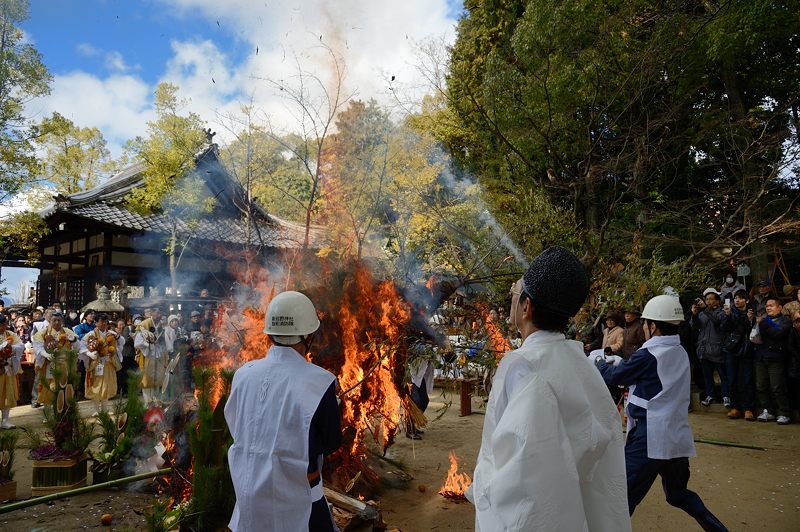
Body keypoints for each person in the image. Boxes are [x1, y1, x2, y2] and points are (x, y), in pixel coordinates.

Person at [467, 246, 630, 531]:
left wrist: (482, 489)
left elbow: (522, 470)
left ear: (527, 306)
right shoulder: (580, 363)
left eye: (515, 295)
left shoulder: (523, 367)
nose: (511, 302)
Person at [594, 294, 728, 531]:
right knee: (678, 494)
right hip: (675, 437)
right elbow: (645, 375)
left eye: (645, 323)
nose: (644, 327)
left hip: (650, 436)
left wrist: (600, 362)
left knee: (620, 498)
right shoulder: (679, 352)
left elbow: (616, 377)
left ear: (653, 326)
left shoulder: (648, 355)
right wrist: (618, 362)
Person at [225, 291, 342, 532]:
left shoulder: (243, 374)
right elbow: (331, 442)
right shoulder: (321, 382)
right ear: (308, 336)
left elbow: (236, 427)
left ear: (269, 334)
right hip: (302, 499)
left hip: (250, 496)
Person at [751, 296, 791, 424]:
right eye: (767, 306)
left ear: (779, 307)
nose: (768, 308)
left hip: (776, 358)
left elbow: (778, 333)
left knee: (777, 386)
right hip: (761, 357)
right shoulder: (763, 320)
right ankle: (767, 410)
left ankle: (783, 412)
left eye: (771, 305)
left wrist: (764, 323)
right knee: (761, 386)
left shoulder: (785, 320)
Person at [720, 289, 756, 420]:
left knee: (747, 379)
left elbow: (754, 331)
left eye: (740, 298)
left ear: (746, 300)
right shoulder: (729, 311)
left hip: (746, 349)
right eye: (735, 298)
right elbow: (724, 328)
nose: (737, 300)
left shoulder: (752, 312)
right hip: (731, 350)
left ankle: (748, 408)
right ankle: (735, 407)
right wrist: (728, 315)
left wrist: (750, 320)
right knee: (732, 379)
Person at [31, 311, 79, 406]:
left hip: (64, 364)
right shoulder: (43, 332)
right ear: (50, 321)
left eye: (59, 320)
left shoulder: (67, 331)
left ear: (62, 321)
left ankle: (62, 411)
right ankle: (48, 412)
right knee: (48, 387)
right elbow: (37, 346)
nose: (57, 322)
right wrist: (46, 354)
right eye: (54, 320)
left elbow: (78, 345)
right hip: (49, 364)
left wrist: (73, 340)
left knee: (63, 387)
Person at [79, 314, 124, 414]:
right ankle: (96, 409)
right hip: (96, 363)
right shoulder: (91, 334)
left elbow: (121, 342)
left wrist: (117, 336)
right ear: (96, 322)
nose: (104, 324)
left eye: (105, 322)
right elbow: (81, 346)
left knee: (107, 386)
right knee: (96, 386)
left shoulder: (111, 334)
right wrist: (89, 353)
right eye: (101, 321)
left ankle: (104, 408)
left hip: (108, 362)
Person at [691, 288, 729, 407]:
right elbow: (694, 327)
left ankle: (726, 396)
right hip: (704, 349)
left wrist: (705, 309)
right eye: (706, 299)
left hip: (717, 348)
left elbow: (716, 321)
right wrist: (694, 314)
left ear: (718, 301)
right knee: (707, 375)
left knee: (723, 375)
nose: (707, 301)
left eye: (710, 299)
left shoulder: (722, 311)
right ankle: (710, 395)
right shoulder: (703, 312)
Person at [134, 308, 168, 405]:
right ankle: (147, 402)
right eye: (157, 312)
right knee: (146, 379)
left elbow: (163, 343)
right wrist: (148, 343)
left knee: (156, 378)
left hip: (158, 355)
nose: (159, 314)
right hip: (147, 355)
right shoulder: (144, 324)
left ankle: (155, 400)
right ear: (152, 313)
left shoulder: (161, 326)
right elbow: (137, 343)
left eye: (160, 312)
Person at [0, 314, 24, 429]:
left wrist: (11, 348)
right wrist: (2, 347)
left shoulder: (10, 334)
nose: (2, 327)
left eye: (4, 325)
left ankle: (5, 420)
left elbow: (21, 345)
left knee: (7, 394)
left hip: (7, 368)